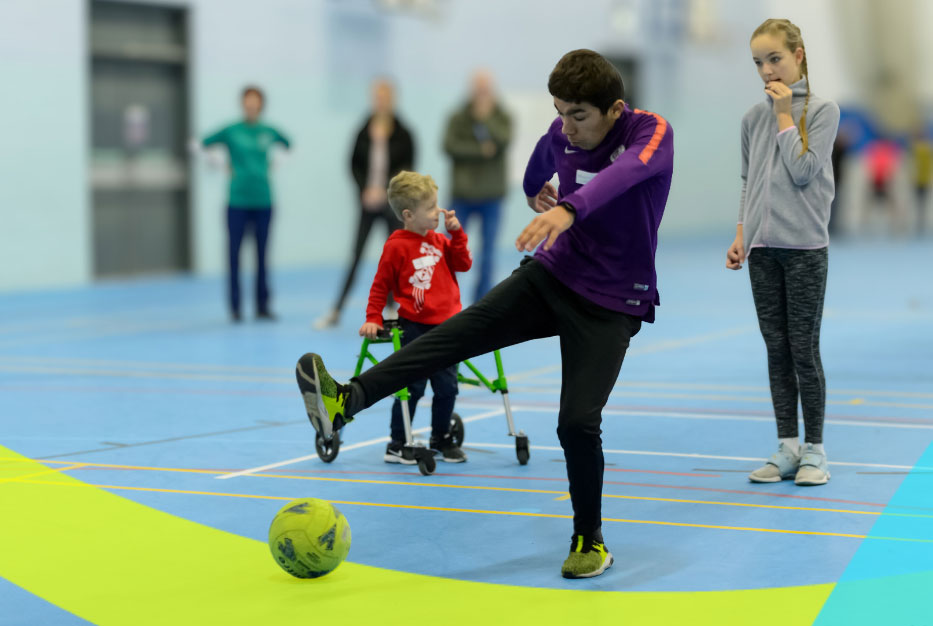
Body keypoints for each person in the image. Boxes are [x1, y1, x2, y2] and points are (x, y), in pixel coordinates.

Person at [295, 49, 673, 579]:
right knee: (452, 336)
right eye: (560, 111)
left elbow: (628, 172)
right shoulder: (561, 131)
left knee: (576, 423)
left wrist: (569, 207)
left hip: (613, 302)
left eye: (578, 115)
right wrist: (532, 191)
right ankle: (345, 400)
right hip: (553, 277)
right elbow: (540, 162)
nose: (566, 126)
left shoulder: (649, 132)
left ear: (613, 108)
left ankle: (590, 538)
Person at [726, 19, 840, 486]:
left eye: (774, 58)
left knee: (803, 350)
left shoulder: (823, 111)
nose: (766, 70)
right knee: (776, 349)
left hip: (805, 250)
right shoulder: (751, 118)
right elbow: (749, 183)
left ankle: (815, 450)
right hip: (763, 251)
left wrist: (784, 116)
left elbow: (803, 171)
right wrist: (741, 233)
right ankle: (787, 446)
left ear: (798, 55)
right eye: (758, 62)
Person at [360, 171, 471, 464]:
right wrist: (373, 317)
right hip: (417, 328)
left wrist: (457, 234)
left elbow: (464, 263)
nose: (439, 211)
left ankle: (441, 438)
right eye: (432, 208)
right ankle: (397, 442)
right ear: (408, 215)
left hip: (448, 327)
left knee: (447, 387)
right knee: (412, 387)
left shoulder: (439, 240)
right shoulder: (396, 246)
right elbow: (380, 284)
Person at [314, 79, 416, 329]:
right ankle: (336, 309)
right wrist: (365, 190)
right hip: (367, 203)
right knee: (356, 255)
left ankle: (394, 308)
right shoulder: (363, 129)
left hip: (391, 203)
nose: (379, 101)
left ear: (392, 99)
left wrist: (385, 190)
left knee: (394, 257)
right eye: (376, 96)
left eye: (384, 96)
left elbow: (407, 166)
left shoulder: (403, 132)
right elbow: (353, 164)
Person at [202, 86, 290, 322]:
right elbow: (201, 144)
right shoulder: (231, 131)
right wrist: (220, 164)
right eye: (248, 102)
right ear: (243, 104)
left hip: (263, 200)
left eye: (256, 102)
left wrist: (276, 164)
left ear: (261, 105)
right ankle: (235, 307)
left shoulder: (268, 131)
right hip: (237, 201)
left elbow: (289, 145)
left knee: (262, 255)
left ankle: (262, 305)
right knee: (234, 254)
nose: (252, 106)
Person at [443, 70, 512, 302]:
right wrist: (481, 151)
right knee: (451, 249)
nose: (481, 94)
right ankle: (444, 296)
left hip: (492, 196)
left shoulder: (502, 116)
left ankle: (480, 303)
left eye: (485, 90)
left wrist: (486, 120)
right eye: (478, 89)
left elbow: (504, 140)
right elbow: (449, 146)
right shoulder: (458, 117)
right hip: (461, 195)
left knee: (488, 254)